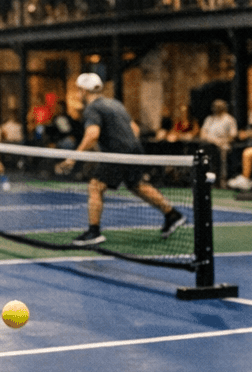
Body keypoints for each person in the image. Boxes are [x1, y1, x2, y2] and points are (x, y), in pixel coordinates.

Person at [60, 73, 186, 246]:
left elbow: (92, 134)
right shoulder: (115, 104)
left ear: (83, 90)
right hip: (134, 149)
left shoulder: (92, 109)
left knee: (95, 187)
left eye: (78, 90)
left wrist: (73, 158)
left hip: (117, 153)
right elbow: (134, 128)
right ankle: (172, 214)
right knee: (137, 185)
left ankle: (93, 232)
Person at [200, 99, 238, 185]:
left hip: (223, 145)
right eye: (214, 106)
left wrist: (222, 141)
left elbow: (233, 135)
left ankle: (221, 180)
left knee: (220, 153)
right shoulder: (209, 119)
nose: (216, 108)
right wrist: (213, 140)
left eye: (218, 106)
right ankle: (207, 179)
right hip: (209, 144)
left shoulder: (229, 119)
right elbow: (203, 133)